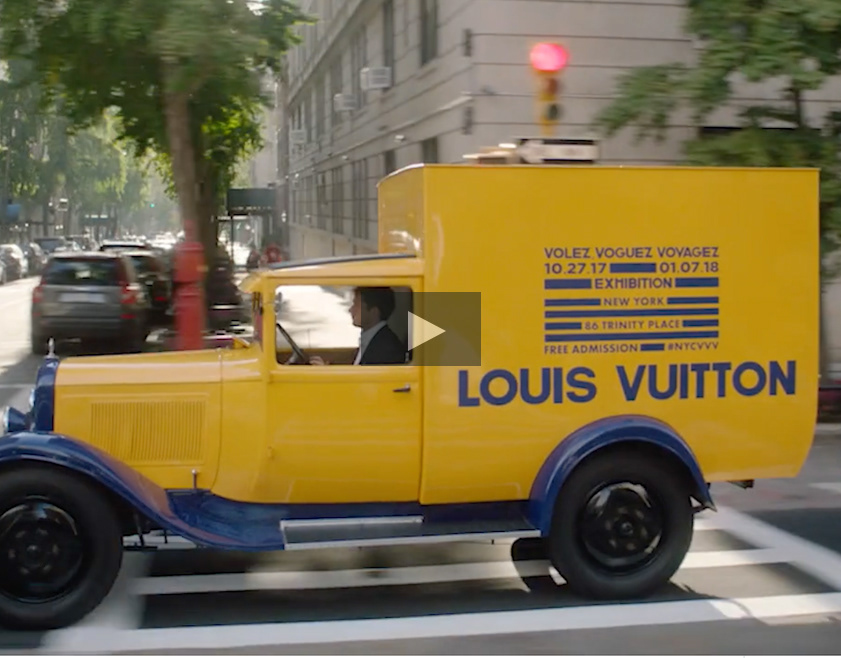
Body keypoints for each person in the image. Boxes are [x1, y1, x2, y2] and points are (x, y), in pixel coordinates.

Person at [307, 286, 407, 366]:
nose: (351, 310)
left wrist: (328, 376)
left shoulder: (386, 348)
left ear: (373, 312)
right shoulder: (373, 339)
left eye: (356, 305)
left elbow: (364, 382)